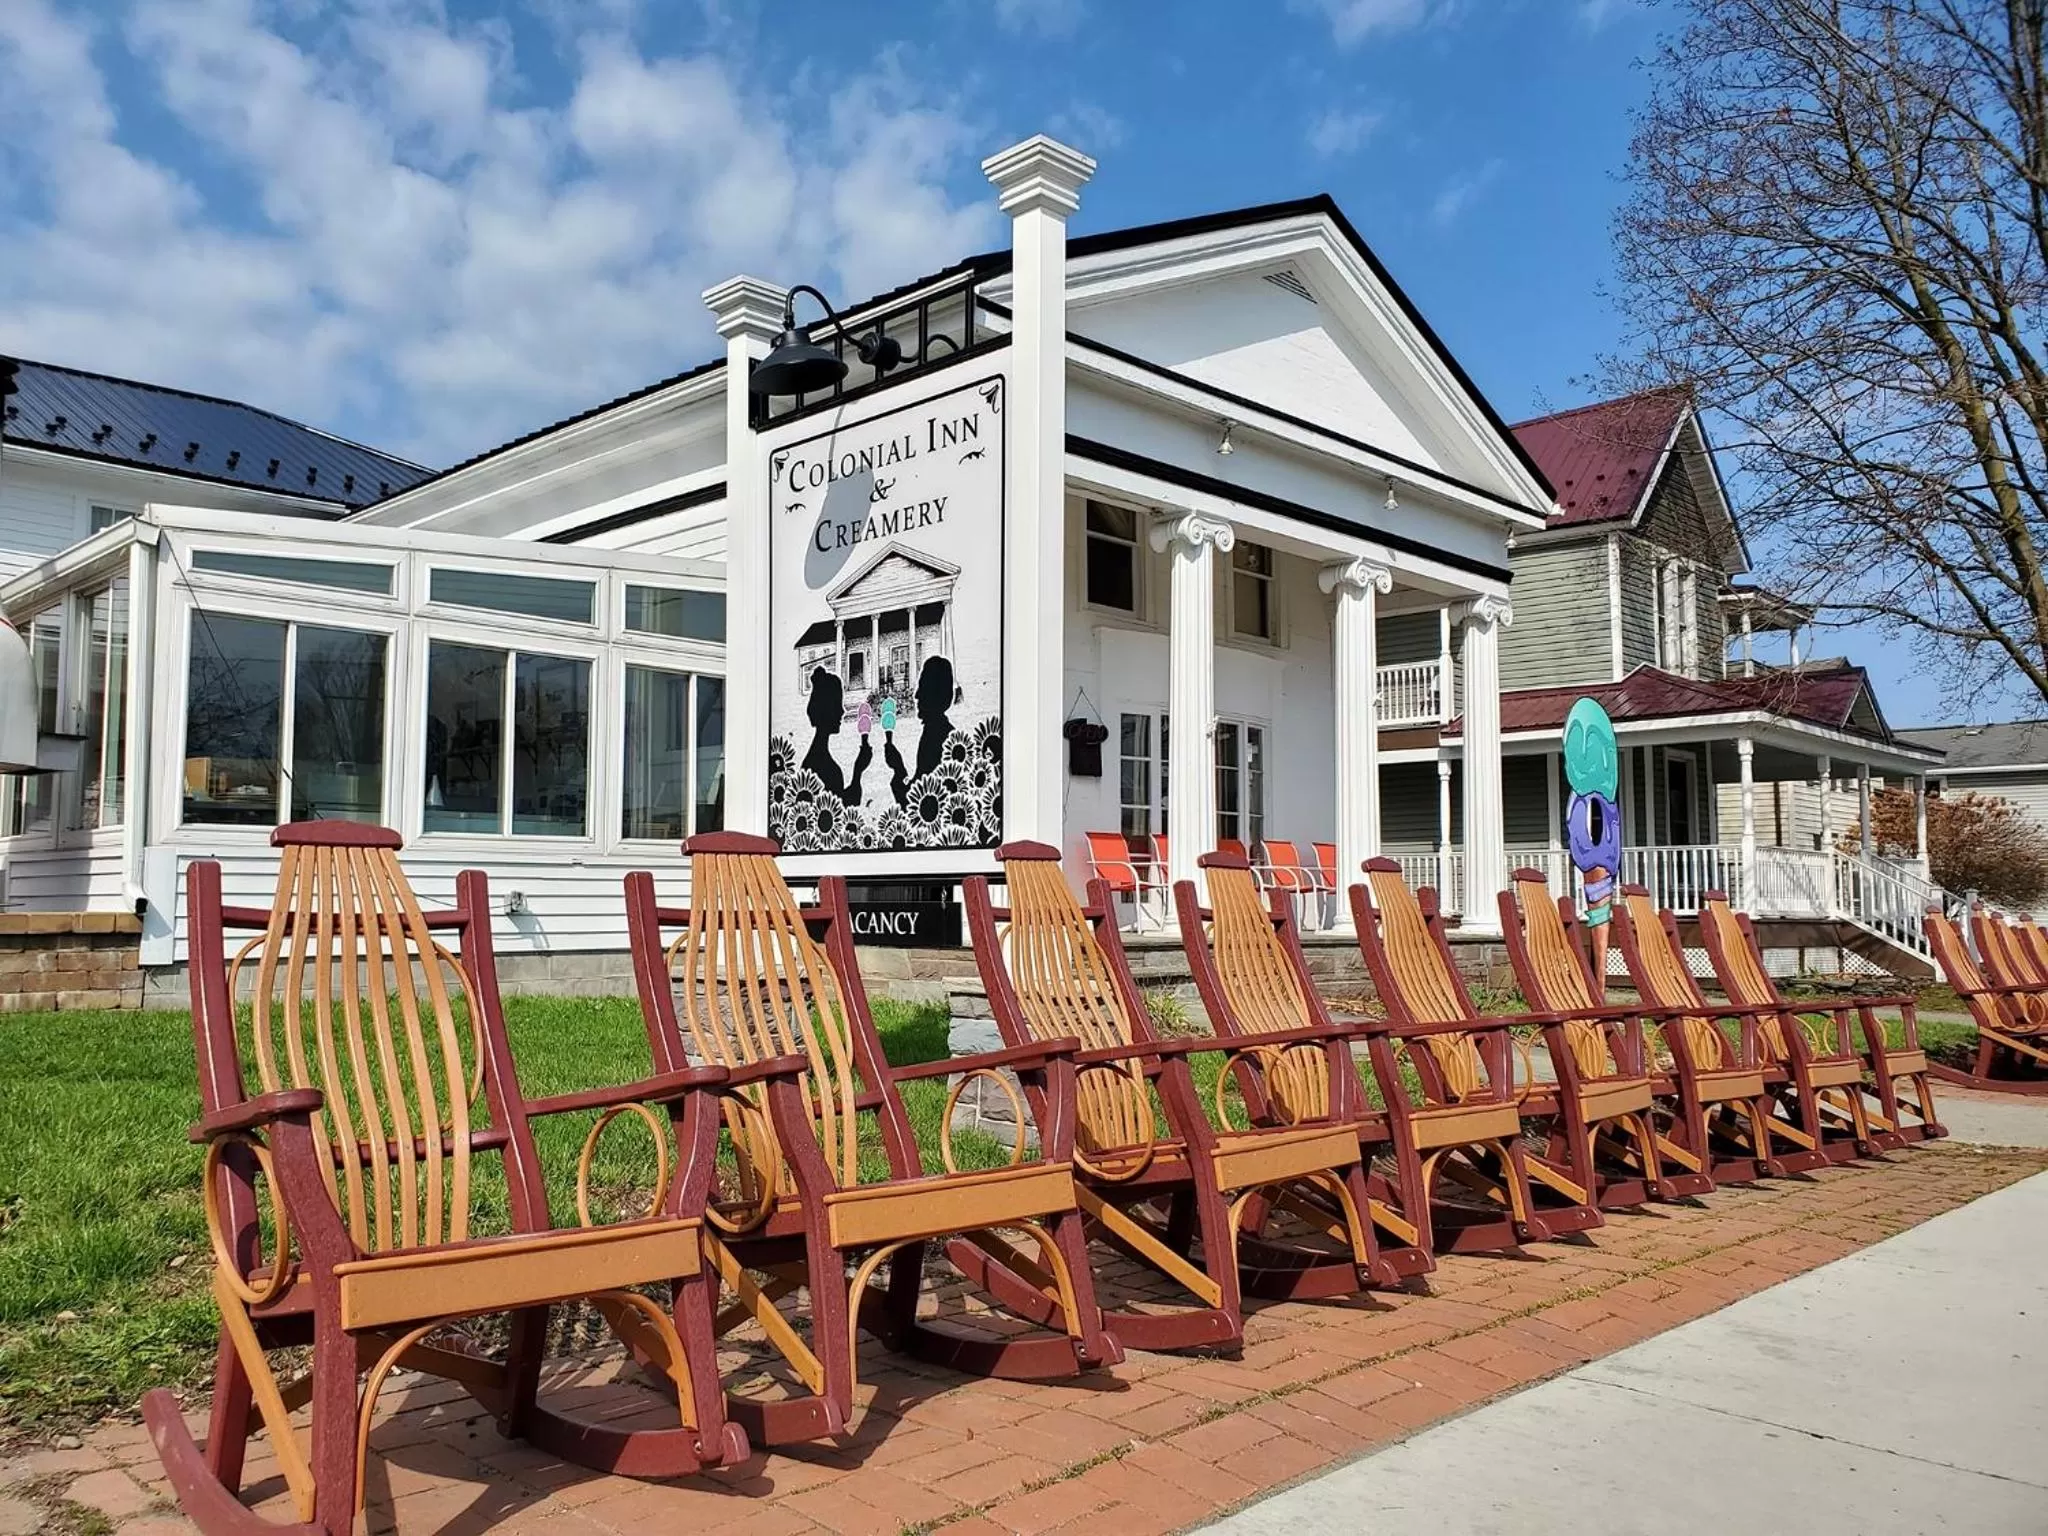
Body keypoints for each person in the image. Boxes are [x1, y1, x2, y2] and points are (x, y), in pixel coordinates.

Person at [888, 656, 956, 805]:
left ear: (935, 694)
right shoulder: (942, 732)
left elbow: (917, 802)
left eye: (923, 687)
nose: (916, 695)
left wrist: (898, 770)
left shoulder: (935, 737)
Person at [802, 667, 871, 805]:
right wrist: (858, 772)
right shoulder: (822, 766)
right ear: (826, 709)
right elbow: (840, 810)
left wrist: (858, 770)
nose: (842, 711)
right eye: (836, 704)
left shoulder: (816, 759)